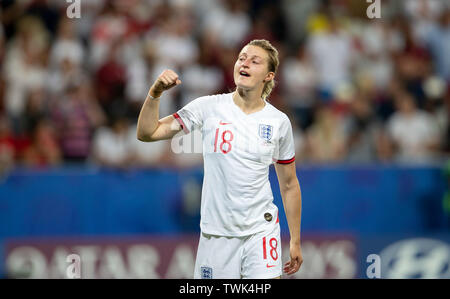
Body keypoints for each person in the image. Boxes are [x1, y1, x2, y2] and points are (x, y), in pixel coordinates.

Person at [137, 39, 303, 279]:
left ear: (268, 76)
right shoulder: (208, 107)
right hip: (216, 237)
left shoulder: (278, 122)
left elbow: (289, 185)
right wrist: (155, 93)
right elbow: (147, 133)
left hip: (261, 231)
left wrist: (295, 240)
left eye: (254, 61)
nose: (244, 63)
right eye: (241, 58)